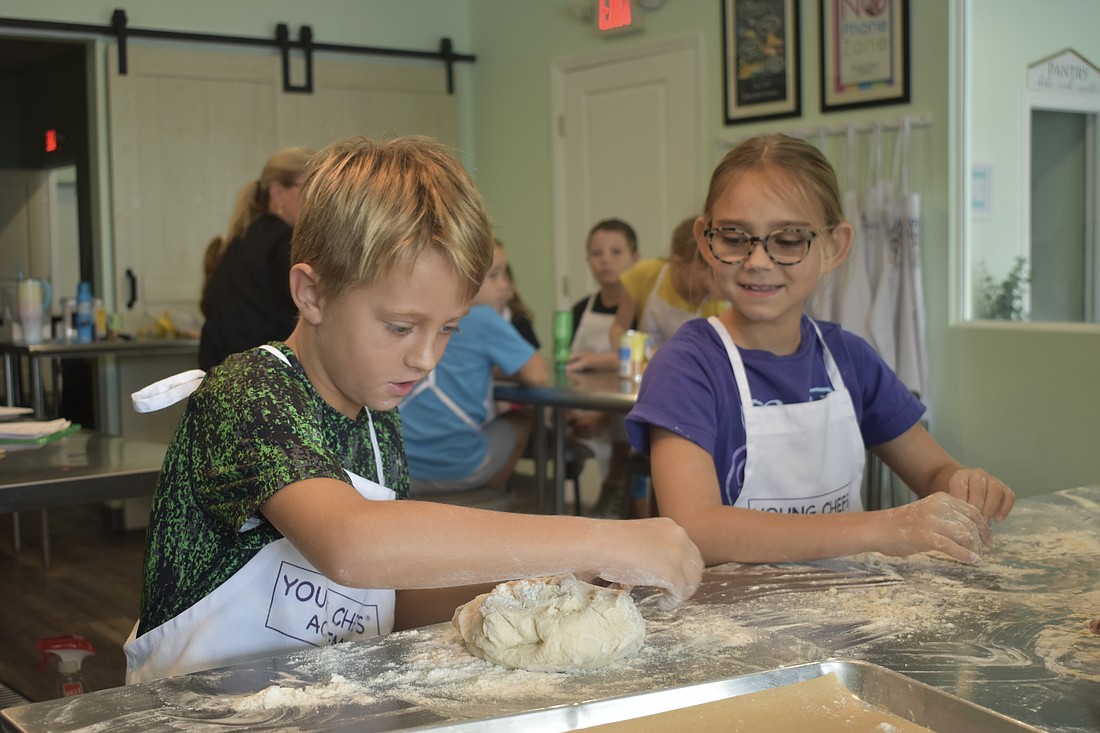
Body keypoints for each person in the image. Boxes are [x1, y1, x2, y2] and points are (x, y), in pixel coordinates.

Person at [125, 137, 703, 684]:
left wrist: (554, 576)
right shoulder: (248, 393)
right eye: (400, 326)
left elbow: (388, 596)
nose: (426, 357)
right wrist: (600, 539)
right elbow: (353, 545)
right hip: (198, 708)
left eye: (448, 328)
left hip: (323, 701)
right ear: (313, 294)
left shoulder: (376, 419)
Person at [625, 133, 1015, 568]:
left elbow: (933, 473)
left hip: (852, 614)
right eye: (735, 237)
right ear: (705, 240)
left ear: (834, 247)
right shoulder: (689, 367)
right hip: (731, 622)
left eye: (789, 240)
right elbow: (695, 528)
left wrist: (965, 484)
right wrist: (885, 528)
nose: (758, 261)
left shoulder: (849, 359)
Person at [400, 238, 547, 499]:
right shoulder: (483, 316)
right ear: (465, 280)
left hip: (402, 468)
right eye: (493, 275)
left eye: (504, 273)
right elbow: (537, 375)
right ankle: (490, 496)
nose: (505, 284)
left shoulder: (423, 310)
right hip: (456, 469)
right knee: (521, 421)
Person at [198, 146, 314, 370]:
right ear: (277, 192)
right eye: (309, 189)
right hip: (258, 380)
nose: (317, 201)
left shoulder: (241, 237)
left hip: (221, 376)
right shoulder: (283, 244)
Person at [563, 219, 640, 517]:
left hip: (619, 414)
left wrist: (602, 417)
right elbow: (567, 367)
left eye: (616, 252)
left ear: (635, 257)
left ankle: (617, 494)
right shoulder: (581, 309)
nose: (605, 260)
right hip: (578, 412)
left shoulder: (641, 310)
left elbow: (641, 361)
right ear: (587, 261)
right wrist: (571, 410)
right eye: (597, 253)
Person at [610, 216, 726, 354]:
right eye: (705, 267)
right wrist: (628, 359)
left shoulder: (717, 302)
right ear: (678, 264)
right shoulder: (645, 275)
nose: (713, 276)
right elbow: (619, 327)